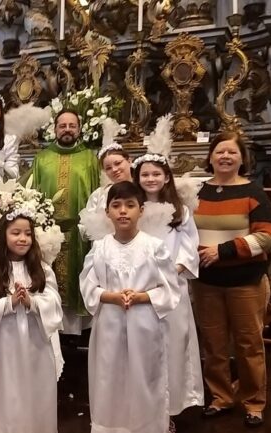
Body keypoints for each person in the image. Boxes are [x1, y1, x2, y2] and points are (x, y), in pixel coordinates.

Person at [79, 181, 180, 433]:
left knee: (146, 378)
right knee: (109, 377)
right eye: (116, 205)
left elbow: (169, 289)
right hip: (109, 325)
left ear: (141, 210)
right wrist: (110, 296)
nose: (123, 211)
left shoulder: (154, 247)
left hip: (145, 324)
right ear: (107, 212)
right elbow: (88, 287)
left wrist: (142, 297)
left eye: (130, 205)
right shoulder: (100, 248)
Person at [192, 132, 271, 427]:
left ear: (242, 159)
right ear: (211, 157)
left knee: (248, 344)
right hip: (206, 282)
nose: (225, 157)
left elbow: (265, 237)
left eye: (232, 152)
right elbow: (185, 233)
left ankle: (254, 402)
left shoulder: (253, 192)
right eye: (220, 152)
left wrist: (222, 251)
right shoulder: (197, 192)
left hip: (245, 281)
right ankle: (220, 397)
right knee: (213, 345)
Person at [0, 209, 63, 433]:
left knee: (35, 396)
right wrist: (9, 303)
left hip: (36, 346)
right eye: (16, 233)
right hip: (3, 347)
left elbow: (54, 304)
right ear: (3, 235)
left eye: (28, 234)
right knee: (4, 397)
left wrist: (32, 302)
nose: (22, 238)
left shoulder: (42, 270)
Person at [133, 154, 204, 431]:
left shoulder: (180, 210)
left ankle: (169, 409)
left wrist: (173, 268)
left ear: (166, 177)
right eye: (145, 175)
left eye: (156, 174)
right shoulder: (134, 208)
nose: (151, 179)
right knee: (142, 347)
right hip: (140, 287)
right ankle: (142, 406)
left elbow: (190, 246)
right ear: (137, 179)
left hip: (171, 286)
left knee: (172, 345)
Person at [32, 108, 99, 333]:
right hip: (48, 233)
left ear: (79, 129)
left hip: (79, 232)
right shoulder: (42, 159)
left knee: (77, 279)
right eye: (63, 126)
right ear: (55, 129)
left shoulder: (89, 158)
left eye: (72, 125)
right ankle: (53, 331)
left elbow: (97, 193)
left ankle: (75, 334)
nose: (67, 130)